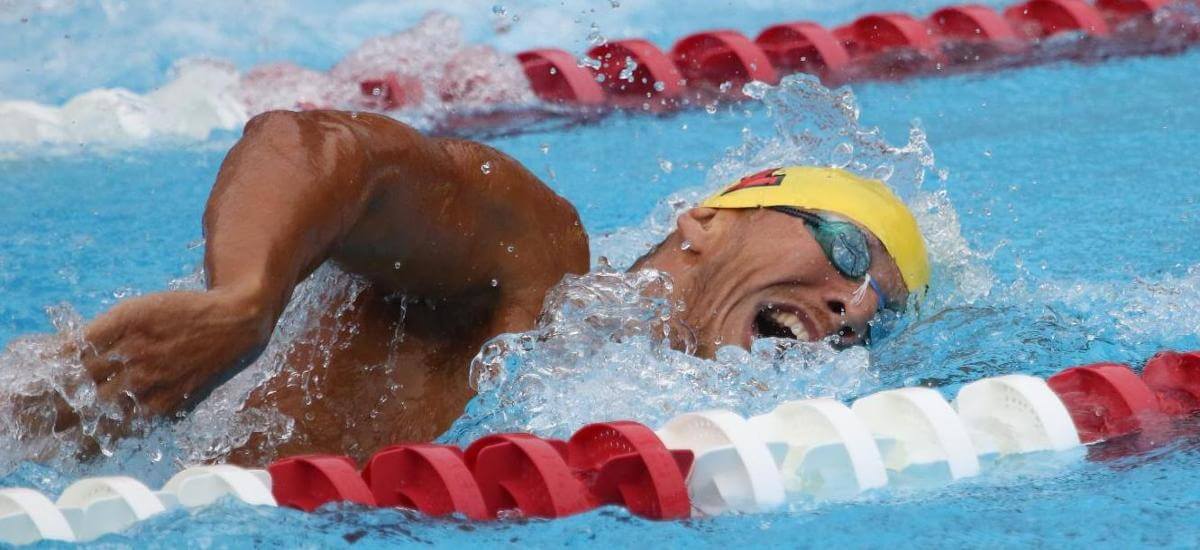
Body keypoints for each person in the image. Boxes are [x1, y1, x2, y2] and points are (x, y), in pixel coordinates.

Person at [51, 109, 929, 463]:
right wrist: (243, 302)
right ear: (708, 222)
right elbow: (318, 145)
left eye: (873, 315)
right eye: (848, 251)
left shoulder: (691, 431)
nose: (853, 308)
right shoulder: (538, 264)